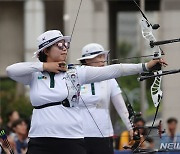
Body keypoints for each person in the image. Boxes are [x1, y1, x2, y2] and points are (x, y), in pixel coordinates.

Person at [6, 30, 167, 154]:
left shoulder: (76, 72)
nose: (65, 48)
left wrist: (145, 66)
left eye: (66, 44)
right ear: (46, 50)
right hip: (40, 138)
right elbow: (11, 70)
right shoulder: (34, 75)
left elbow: (115, 70)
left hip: (71, 138)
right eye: (60, 45)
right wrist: (44, 66)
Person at [77, 43, 133, 154]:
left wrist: (131, 128)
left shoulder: (109, 79)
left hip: (103, 134)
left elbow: (121, 108)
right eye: (99, 57)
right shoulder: (75, 76)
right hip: (78, 134)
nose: (103, 60)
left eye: (103, 56)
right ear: (87, 60)